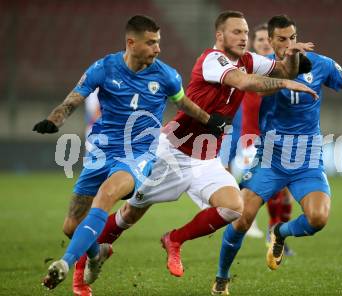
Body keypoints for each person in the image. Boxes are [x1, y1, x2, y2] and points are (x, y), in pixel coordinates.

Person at [85, 10, 317, 286]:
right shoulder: (212, 60)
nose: (243, 37)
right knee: (131, 212)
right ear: (220, 35)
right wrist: (285, 82)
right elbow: (245, 82)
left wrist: (289, 54)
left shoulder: (248, 60)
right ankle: (92, 253)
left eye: (245, 32)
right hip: (172, 151)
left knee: (234, 207)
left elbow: (282, 70)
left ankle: (174, 240)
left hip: (206, 157)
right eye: (236, 32)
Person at [211, 15, 342, 295]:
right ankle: (222, 278)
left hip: (307, 159)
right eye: (281, 39)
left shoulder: (321, 65)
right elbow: (239, 80)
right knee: (241, 219)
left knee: (318, 219)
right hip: (271, 157)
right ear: (269, 41)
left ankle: (279, 232)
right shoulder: (263, 68)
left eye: (292, 37)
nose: (289, 43)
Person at [36, 15, 227, 291]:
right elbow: (74, 98)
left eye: (158, 42)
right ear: (131, 43)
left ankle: (64, 263)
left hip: (138, 154)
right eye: (151, 43)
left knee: (107, 194)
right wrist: (54, 121)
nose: (157, 48)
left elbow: (183, 103)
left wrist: (210, 121)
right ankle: (96, 254)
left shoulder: (167, 75)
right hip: (101, 153)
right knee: (71, 226)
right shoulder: (104, 67)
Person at [224, 24, 296, 255]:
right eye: (260, 39)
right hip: (250, 140)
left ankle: (273, 234)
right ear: (254, 43)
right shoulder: (247, 67)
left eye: (268, 39)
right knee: (257, 193)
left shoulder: (281, 68)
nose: (264, 43)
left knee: (281, 193)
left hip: (274, 139)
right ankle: (246, 234)